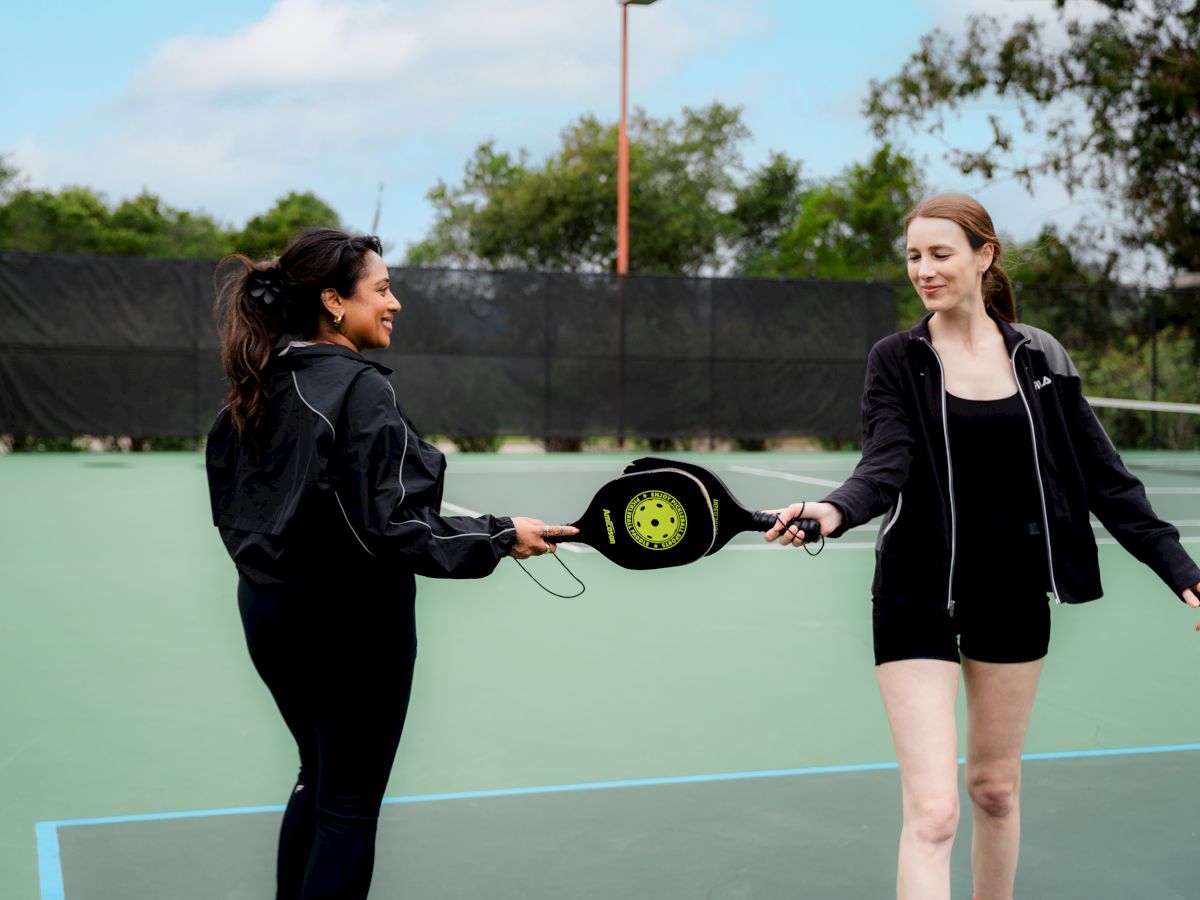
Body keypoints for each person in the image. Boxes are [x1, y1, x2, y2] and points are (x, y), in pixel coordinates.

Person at [763, 194, 1200, 900]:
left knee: (995, 790)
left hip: (1014, 593)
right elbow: (886, 463)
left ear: (983, 255)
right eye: (913, 257)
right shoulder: (897, 360)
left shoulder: (1040, 357)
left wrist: (1178, 567)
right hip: (915, 595)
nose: (924, 271)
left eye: (941, 254)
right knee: (934, 815)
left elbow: (1104, 477)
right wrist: (835, 511)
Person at [205, 227, 576, 900]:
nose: (394, 302)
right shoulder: (358, 390)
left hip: (268, 615)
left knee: (316, 779)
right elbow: (401, 528)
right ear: (333, 303)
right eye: (381, 289)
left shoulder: (258, 382)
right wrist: (500, 535)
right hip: (350, 629)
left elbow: (247, 515)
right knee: (347, 808)